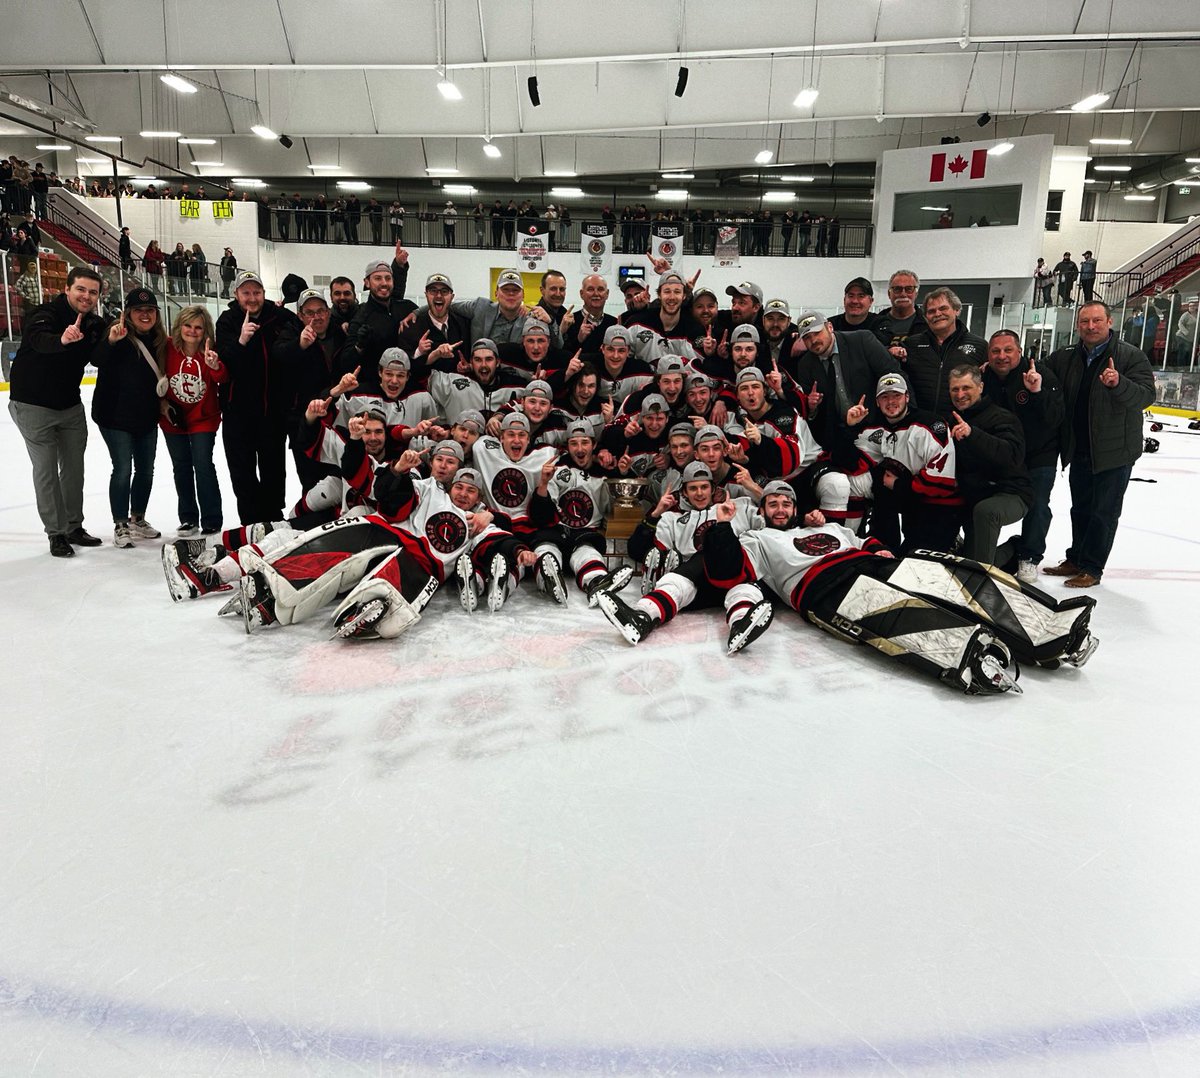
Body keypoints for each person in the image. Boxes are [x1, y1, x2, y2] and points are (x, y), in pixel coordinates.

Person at [702, 482, 1099, 695]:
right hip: (823, 588)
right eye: (772, 504)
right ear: (762, 511)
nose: (780, 509)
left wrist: (884, 552)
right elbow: (725, 574)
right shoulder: (756, 540)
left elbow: (868, 543)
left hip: (872, 564)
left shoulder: (828, 526)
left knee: (954, 575)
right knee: (899, 613)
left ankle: (1050, 630)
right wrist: (722, 526)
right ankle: (969, 655)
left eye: (785, 502)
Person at [1042, 302, 1156, 588]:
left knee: (1103, 513)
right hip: (1079, 447)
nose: (1090, 327)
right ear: (1078, 325)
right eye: (1084, 321)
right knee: (1080, 508)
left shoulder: (1130, 356)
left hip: (1114, 451)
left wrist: (1118, 384)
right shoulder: (1066, 356)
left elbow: (1145, 397)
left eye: (1096, 321)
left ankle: (1092, 568)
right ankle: (1077, 558)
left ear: (1109, 322)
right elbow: (1040, 374)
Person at [7, 265, 107, 556]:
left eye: (93, 292)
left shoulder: (94, 324)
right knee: (47, 469)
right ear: (67, 289)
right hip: (33, 406)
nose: (86, 296)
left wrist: (113, 339)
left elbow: (102, 354)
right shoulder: (44, 314)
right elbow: (39, 340)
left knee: (74, 470)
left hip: (70, 406)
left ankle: (73, 526)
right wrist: (62, 339)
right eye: (81, 289)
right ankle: (56, 533)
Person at [215, 270, 302, 524]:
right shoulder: (228, 321)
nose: (252, 298)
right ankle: (251, 522)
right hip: (237, 414)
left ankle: (273, 519)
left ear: (264, 294)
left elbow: (306, 325)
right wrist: (241, 340)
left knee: (274, 470)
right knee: (242, 472)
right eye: (246, 293)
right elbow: (225, 362)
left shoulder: (280, 317)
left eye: (257, 292)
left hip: (273, 414)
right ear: (236, 294)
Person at [982, 330, 1064, 583]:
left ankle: (1029, 557)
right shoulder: (984, 377)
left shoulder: (1040, 375)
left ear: (1020, 351)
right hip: (1002, 454)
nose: (1002, 356)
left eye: (1008, 350)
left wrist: (1037, 392)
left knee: (1037, 506)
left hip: (1038, 455)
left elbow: (1055, 418)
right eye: (995, 351)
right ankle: (981, 550)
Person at [91, 286, 168, 547]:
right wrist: (112, 340)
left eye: (150, 310)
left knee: (146, 470)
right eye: (138, 311)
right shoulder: (117, 334)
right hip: (115, 417)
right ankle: (121, 523)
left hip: (146, 417)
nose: (145, 315)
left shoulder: (159, 341)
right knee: (123, 469)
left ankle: (138, 518)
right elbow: (97, 359)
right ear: (128, 313)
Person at [945, 363, 1031, 566]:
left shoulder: (1002, 417)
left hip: (1010, 493)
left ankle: (987, 573)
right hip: (973, 496)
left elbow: (1011, 456)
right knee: (970, 560)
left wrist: (973, 434)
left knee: (986, 511)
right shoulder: (950, 420)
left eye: (966, 388)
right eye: (955, 389)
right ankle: (995, 558)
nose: (960, 394)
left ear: (980, 387)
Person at [161, 305, 226, 535]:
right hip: (173, 419)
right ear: (180, 327)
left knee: (203, 465)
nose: (192, 331)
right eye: (188, 325)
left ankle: (211, 519)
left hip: (203, 419)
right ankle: (188, 518)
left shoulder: (211, 351)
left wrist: (214, 366)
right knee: (181, 467)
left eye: (198, 327)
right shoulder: (167, 347)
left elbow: (222, 377)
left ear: (205, 330)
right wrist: (163, 405)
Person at [900, 287, 989, 417]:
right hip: (919, 424)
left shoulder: (980, 346)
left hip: (962, 425)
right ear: (925, 317)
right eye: (931, 311)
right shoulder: (911, 344)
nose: (937, 314)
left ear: (956, 310)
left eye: (943, 308)